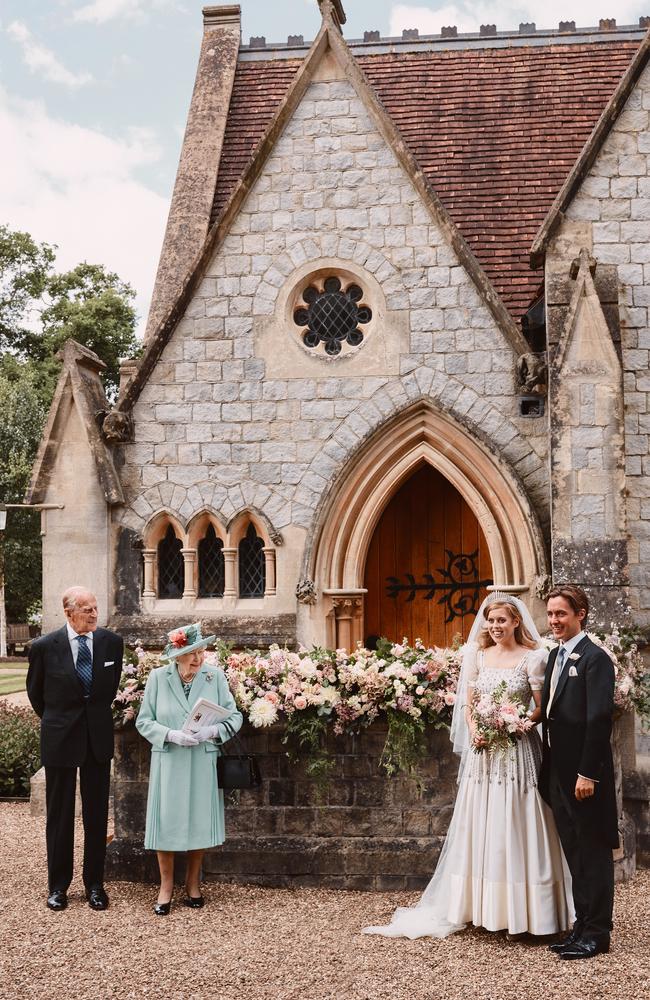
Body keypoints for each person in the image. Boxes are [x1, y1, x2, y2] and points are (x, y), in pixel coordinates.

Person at [364, 593, 572, 939]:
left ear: (516, 622)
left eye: (502, 620)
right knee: (483, 820)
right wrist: (478, 731)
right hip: (484, 754)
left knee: (519, 820)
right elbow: (469, 705)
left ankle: (530, 911)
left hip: (517, 751)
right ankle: (481, 907)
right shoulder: (477, 655)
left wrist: (516, 724)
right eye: (491, 621)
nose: (495, 626)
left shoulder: (533, 658)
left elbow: (540, 707)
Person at [26, 587, 123, 912]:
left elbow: (108, 691)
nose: (94, 614)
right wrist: (61, 722)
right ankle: (58, 887)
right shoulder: (43, 647)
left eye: (96, 608)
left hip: (97, 739)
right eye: (87, 610)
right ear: (68, 613)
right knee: (60, 815)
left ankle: (95, 884)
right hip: (59, 737)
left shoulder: (112, 643)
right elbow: (36, 695)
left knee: (96, 816)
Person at [136, 623, 243, 915]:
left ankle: (193, 883)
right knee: (165, 822)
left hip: (202, 757)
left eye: (201, 652)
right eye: (191, 653)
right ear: (177, 655)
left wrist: (211, 732)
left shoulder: (215, 677)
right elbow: (144, 721)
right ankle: (166, 886)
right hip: (169, 757)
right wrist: (171, 735)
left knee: (198, 820)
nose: (198, 659)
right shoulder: (158, 678)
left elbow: (234, 718)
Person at [539, 585, 618, 960]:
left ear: (580, 613)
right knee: (574, 851)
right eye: (551, 614)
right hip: (558, 771)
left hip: (585, 776)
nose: (554, 621)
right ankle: (581, 926)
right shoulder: (556, 655)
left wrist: (588, 773)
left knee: (593, 851)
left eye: (561, 614)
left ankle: (598, 934)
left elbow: (599, 718)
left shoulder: (595, 658)